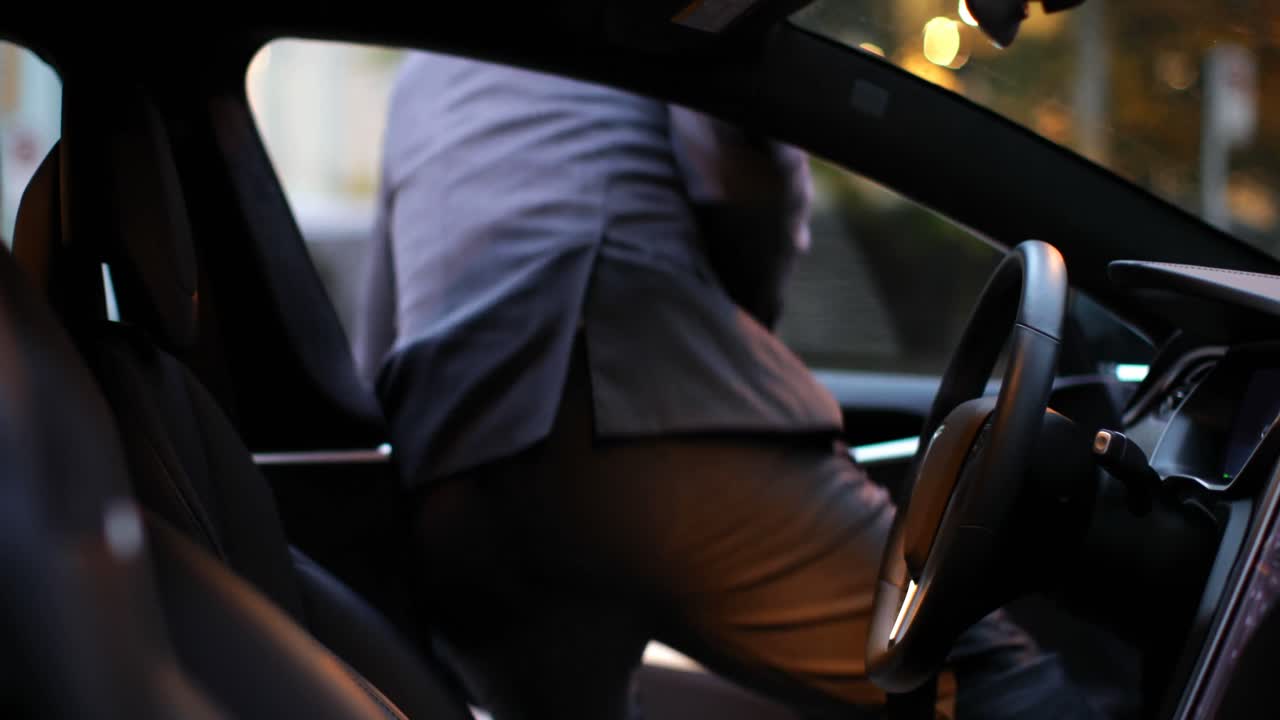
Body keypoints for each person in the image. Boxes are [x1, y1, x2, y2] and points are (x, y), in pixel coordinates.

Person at [354, 50, 1099, 720]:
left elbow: (378, 335)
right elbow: (744, 176)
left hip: (454, 470)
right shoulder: (648, 19)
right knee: (976, 675)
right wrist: (743, 323)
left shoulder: (425, 69)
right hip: (637, 398)